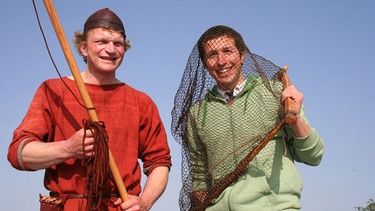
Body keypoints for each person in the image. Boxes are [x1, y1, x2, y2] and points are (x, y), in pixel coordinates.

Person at [8, 8, 172, 211]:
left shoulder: (141, 101)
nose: (111, 49)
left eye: (117, 43)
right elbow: (19, 153)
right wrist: (68, 148)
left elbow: (159, 162)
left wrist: (146, 200)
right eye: (101, 42)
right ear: (84, 48)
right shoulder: (53, 90)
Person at [171, 25, 324, 211]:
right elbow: (199, 174)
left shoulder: (276, 93)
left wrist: (297, 117)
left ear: (242, 55)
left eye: (227, 51)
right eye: (212, 55)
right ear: (204, 63)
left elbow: (313, 155)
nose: (221, 61)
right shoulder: (197, 112)